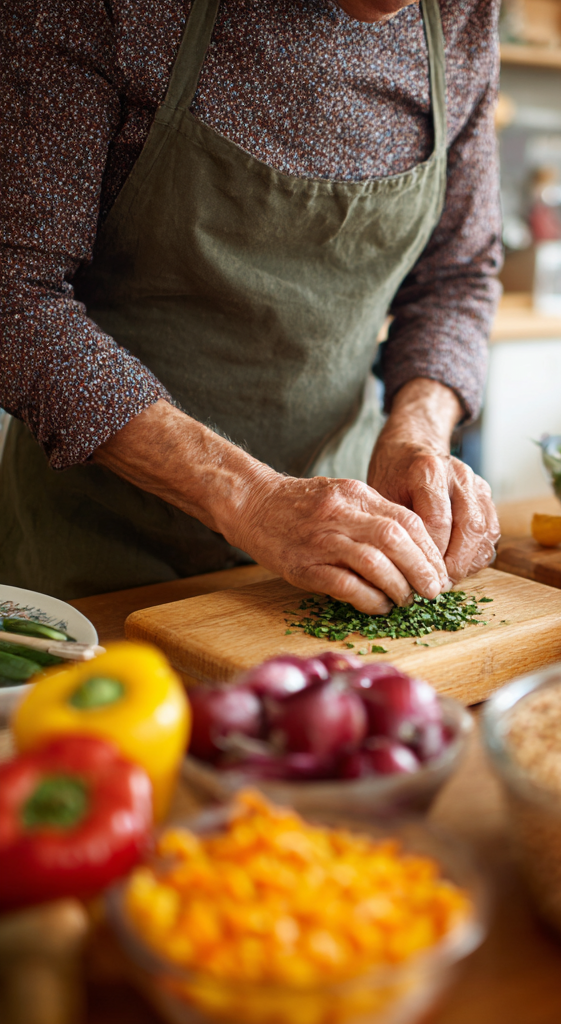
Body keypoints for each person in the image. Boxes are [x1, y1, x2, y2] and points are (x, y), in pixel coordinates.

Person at [0, 0, 502, 612]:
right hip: (102, 550)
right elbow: (14, 294)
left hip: (350, 547)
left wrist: (418, 426)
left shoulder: (461, 15)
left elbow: (459, 274)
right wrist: (253, 499)